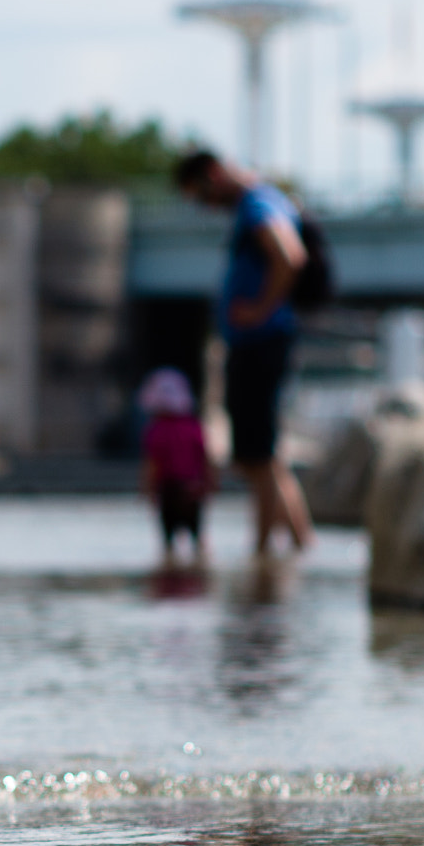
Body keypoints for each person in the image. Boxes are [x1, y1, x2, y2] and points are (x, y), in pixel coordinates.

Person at [173, 147, 315, 555]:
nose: (205, 206)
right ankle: (300, 545)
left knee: (257, 454)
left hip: (260, 343)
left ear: (213, 175)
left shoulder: (257, 205)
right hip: (260, 342)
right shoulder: (262, 202)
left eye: (200, 196)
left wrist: (258, 310)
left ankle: (262, 554)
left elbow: (289, 257)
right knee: (263, 455)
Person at [137, 367, 212, 568]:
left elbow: (152, 465)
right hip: (192, 490)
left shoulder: (156, 430)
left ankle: (169, 573)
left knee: (167, 545)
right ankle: (199, 572)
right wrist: (210, 484)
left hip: (169, 491)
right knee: (198, 542)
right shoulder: (194, 426)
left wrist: (147, 491)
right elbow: (206, 459)